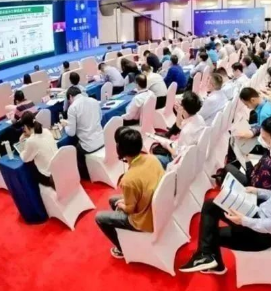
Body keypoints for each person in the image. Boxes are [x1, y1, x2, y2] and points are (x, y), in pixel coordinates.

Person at [179, 125, 271, 275]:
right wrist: (258, 192)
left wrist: (244, 221)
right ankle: (207, 256)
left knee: (211, 228)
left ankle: (208, 257)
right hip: (262, 215)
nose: (270, 151)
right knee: (212, 207)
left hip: (263, 234)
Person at [94, 128, 164, 259]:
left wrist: (122, 205)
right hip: (158, 209)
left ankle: (123, 248)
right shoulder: (152, 159)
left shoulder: (128, 180)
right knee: (113, 199)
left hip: (145, 220)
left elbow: (130, 209)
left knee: (100, 217)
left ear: (120, 150)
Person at [221, 115, 271, 190]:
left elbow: (254, 185)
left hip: (253, 186)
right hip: (256, 173)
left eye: (264, 138)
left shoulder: (270, 166)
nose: (260, 138)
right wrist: (252, 132)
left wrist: (246, 162)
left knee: (228, 168)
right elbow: (259, 127)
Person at [153, 91, 206, 170]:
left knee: (155, 156)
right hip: (191, 152)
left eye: (181, 104)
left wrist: (167, 146)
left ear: (184, 109)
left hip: (180, 161)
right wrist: (179, 113)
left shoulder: (186, 131)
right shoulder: (199, 118)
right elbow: (179, 126)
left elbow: (177, 155)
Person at [61, 86, 105, 180]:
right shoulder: (93, 101)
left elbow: (71, 133)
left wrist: (65, 126)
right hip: (101, 139)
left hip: (88, 145)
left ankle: (85, 176)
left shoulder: (73, 108)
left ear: (70, 97)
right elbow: (100, 118)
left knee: (76, 150)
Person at [19, 111, 58, 188]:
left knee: (29, 167)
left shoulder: (31, 141)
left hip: (49, 177)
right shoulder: (46, 131)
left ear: (25, 126)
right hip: (59, 168)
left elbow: (25, 159)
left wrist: (21, 142)